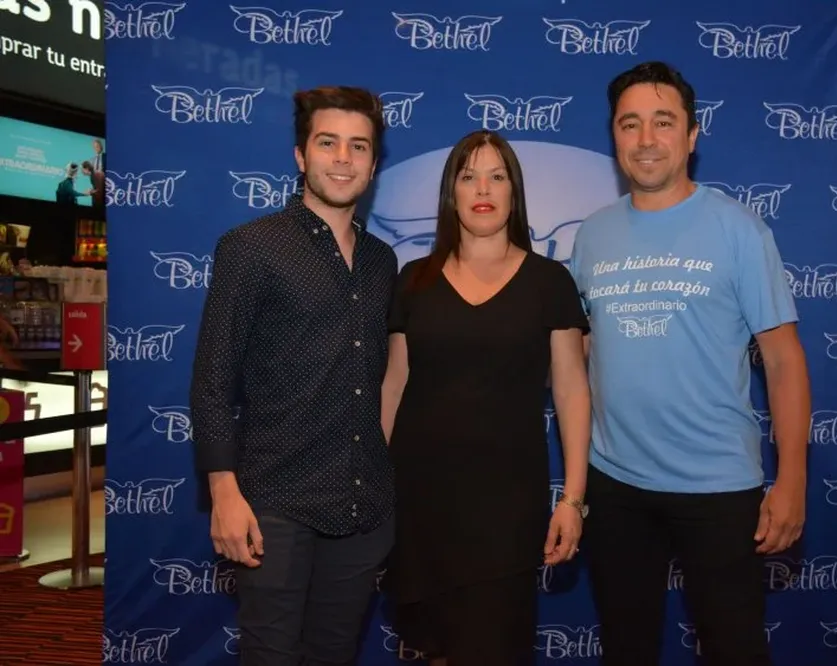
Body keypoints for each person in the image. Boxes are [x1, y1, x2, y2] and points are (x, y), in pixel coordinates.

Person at [568, 61, 811, 666]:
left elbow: (783, 361)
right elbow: (581, 351)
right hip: (617, 482)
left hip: (720, 486)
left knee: (735, 650)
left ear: (692, 135)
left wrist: (793, 479)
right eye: (630, 124)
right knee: (626, 649)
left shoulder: (739, 230)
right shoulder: (591, 236)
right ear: (614, 136)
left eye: (663, 122)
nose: (646, 139)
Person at [189, 86, 396, 666]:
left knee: (334, 652)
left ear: (374, 164)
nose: (343, 158)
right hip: (274, 500)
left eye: (359, 146)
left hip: (364, 501)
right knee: (270, 655)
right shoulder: (250, 248)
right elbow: (212, 380)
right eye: (327, 142)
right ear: (302, 155)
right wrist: (224, 494)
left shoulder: (384, 262)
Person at [380, 129, 591, 666]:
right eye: (469, 175)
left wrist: (572, 499)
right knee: (436, 650)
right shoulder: (412, 282)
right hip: (420, 502)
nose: (483, 187)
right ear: (451, 192)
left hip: (507, 509)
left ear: (514, 193)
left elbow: (571, 390)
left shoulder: (549, 283)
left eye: (497, 176)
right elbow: (394, 385)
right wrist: (374, 488)